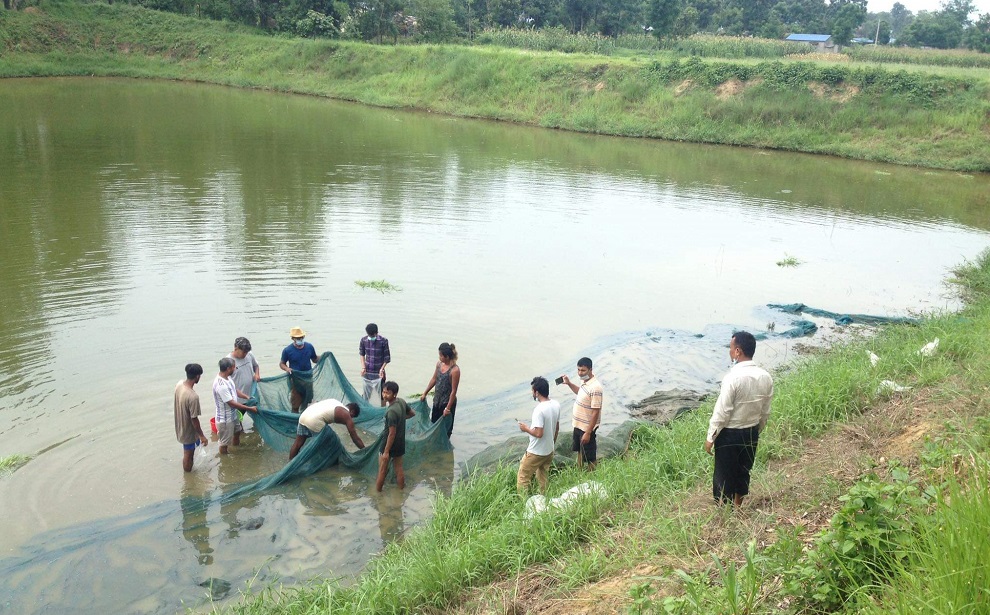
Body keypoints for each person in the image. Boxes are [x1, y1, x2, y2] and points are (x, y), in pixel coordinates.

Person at [704, 331, 774, 507]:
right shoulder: (765, 377)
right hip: (751, 431)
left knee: (724, 473)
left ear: (738, 351)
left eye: (731, 348)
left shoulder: (732, 378)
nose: (729, 351)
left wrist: (711, 437)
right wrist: (757, 430)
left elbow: (722, 411)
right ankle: (738, 506)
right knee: (744, 470)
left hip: (729, 434)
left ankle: (724, 511)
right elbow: (765, 411)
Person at [516, 376, 561, 494]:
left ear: (537, 392)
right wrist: (552, 443)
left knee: (523, 476)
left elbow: (538, 433)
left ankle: (524, 503)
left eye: (533, 391)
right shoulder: (556, 404)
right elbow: (556, 427)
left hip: (536, 451)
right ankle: (543, 498)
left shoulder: (539, 410)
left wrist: (525, 428)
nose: (532, 393)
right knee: (543, 477)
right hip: (549, 450)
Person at [561, 357, 603, 470]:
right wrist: (569, 383)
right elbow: (579, 392)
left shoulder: (596, 388)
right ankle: (579, 473)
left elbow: (595, 412)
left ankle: (593, 476)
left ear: (590, 369)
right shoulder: (584, 382)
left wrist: (588, 432)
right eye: (578, 370)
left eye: (583, 370)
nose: (580, 373)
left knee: (590, 455)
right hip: (578, 424)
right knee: (579, 450)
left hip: (587, 427)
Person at [289, 398, 365, 459]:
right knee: (330, 444)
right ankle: (324, 464)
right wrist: (365, 450)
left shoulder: (334, 401)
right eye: (353, 417)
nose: (351, 418)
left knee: (298, 443)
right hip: (314, 421)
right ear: (352, 412)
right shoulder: (346, 414)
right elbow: (355, 438)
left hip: (303, 416)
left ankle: (290, 464)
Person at [213, 357, 258, 455]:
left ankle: (236, 451)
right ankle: (225, 460)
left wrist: (246, 397)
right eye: (234, 367)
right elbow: (231, 403)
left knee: (238, 431)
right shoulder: (221, 385)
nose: (235, 369)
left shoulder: (228, 378)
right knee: (224, 443)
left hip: (233, 415)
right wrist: (250, 408)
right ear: (228, 368)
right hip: (225, 420)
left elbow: (235, 390)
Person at [376, 381, 416, 492]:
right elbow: (412, 413)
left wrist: (386, 452)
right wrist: (401, 419)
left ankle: (377, 495)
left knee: (382, 470)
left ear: (394, 394)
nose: (384, 395)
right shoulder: (402, 402)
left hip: (388, 444)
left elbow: (391, 433)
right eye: (383, 392)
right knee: (398, 468)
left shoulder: (391, 412)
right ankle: (401, 492)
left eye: (387, 393)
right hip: (400, 442)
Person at [175, 363, 209, 472]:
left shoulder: (179, 384)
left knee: (189, 451)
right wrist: (202, 435)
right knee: (188, 454)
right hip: (188, 430)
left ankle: (189, 476)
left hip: (179, 424)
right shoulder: (193, 397)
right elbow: (194, 419)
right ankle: (188, 475)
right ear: (197, 376)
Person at [422, 342, 460, 437]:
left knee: (446, 429)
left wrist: (448, 408)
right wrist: (425, 393)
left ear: (447, 356)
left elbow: (453, 391)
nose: (439, 357)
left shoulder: (455, 370)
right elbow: (434, 379)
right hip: (437, 401)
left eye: (441, 355)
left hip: (447, 403)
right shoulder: (439, 364)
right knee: (434, 424)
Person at [279, 326, 318, 413]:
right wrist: (287, 368)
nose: (299, 339)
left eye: (301, 337)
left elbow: (314, 359)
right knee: (295, 403)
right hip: (295, 380)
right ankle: (295, 421)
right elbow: (282, 363)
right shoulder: (287, 350)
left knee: (309, 402)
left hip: (308, 379)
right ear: (293, 338)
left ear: (303, 337)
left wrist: (324, 357)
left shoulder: (309, 347)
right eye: (297, 338)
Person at [359, 323, 390, 406]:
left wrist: (381, 369)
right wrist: (363, 367)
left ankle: (383, 413)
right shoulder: (363, 340)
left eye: (372, 335)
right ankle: (367, 410)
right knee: (366, 394)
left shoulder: (384, 341)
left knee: (383, 395)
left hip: (379, 373)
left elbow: (387, 358)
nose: (370, 337)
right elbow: (362, 354)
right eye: (369, 335)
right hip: (367, 372)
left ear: (376, 333)